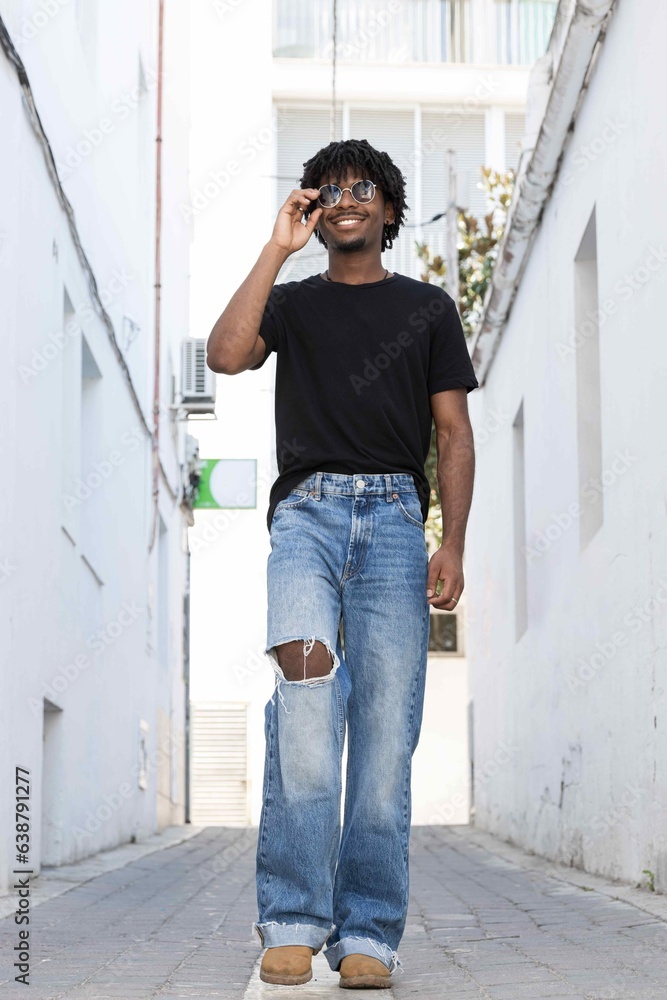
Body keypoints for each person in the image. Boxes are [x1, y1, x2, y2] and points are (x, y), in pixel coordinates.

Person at [206, 139, 478, 989]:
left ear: (389, 211)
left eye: (361, 187)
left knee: (385, 740)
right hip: (307, 521)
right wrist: (275, 247)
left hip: (396, 524)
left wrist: (452, 540)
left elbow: (453, 433)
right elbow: (223, 354)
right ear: (314, 210)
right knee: (306, 703)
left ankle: (367, 931)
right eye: (327, 189)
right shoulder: (290, 303)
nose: (344, 197)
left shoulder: (427, 308)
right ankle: (291, 916)